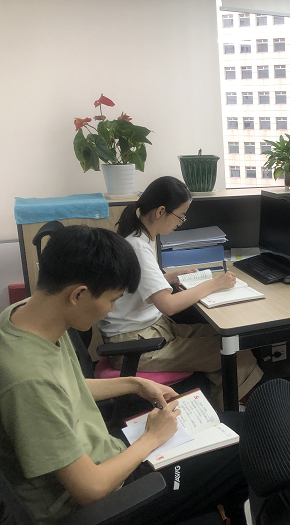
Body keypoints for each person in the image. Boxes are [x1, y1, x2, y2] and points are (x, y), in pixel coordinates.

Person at [0, 226, 247, 525]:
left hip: (104, 452)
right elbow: (91, 490)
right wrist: (152, 437)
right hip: (102, 502)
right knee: (246, 448)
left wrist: (135, 383)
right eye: (112, 299)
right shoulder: (28, 380)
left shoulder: (25, 317)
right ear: (78, 294)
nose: (110, 311)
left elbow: (64, 389)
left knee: (237, 425)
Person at [98, 176, 262, 410]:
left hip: (149, 330)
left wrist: (166, 278)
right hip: (139, 344)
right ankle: (226, 413)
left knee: (225, 338)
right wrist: (214, 284)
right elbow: (169, 305)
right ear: (160, 211)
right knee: (232, 351)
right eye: (181, 216)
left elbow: (135, 284)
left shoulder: (140, 236)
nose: (181, 222)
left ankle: (220, 404)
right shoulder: (138, 246)